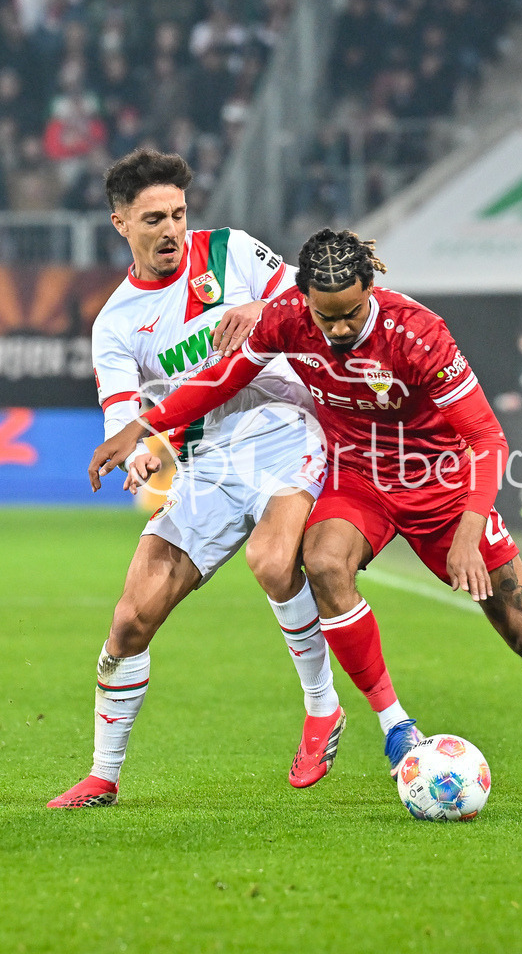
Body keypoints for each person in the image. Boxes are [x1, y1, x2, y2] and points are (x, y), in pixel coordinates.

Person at [92, 227, 522, 805]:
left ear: (371, 289)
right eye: (326, 317)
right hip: (358, 478)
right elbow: (220, 380)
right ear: (304, 297)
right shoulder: (287, 318)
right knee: (323, 562)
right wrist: (144, 425)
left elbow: (487, 440)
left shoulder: (418, 334)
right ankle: (395, 724)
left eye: (351, 314)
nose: (338, 330)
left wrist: (468, 532)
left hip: (439, 485)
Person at [48, 149, 352, 808]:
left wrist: (263, 311)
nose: (171, 231)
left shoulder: (231, 252)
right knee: (131, 620)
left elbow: (315, 299)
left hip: (283, 432)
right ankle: (103, 774)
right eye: (153, 218)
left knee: (273, 561)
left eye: (179, 215)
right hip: (204, 467)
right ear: (120, 224)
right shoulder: (115, 323)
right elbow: (121, 412)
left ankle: (322, 706)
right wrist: (138, 451)